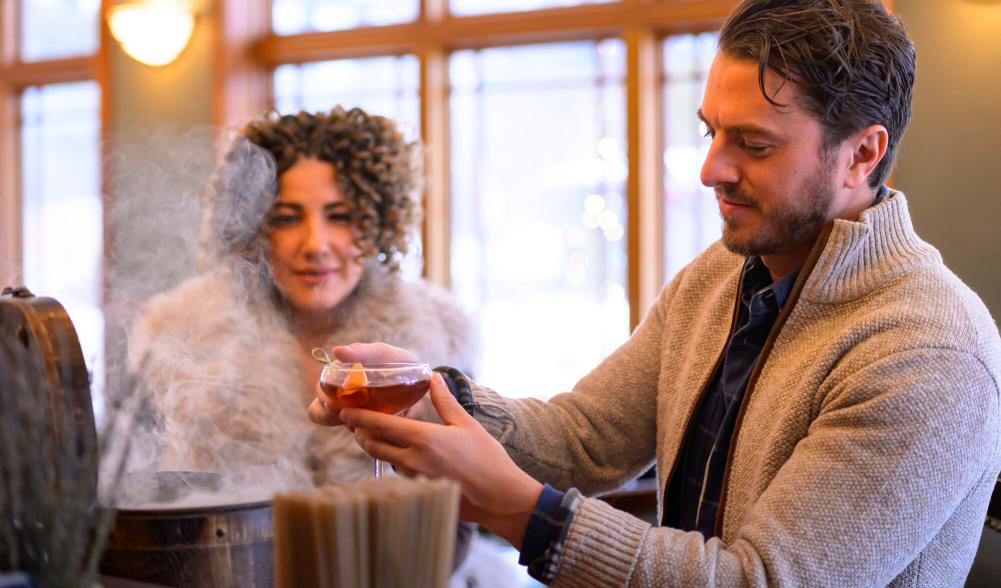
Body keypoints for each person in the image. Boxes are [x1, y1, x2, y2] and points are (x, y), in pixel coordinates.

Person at [310, 1, 1001, 585]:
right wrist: (423, 394)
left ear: (861, 153)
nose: (709, 169)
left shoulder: (928, 351)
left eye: (753, 145)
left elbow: (757, 579)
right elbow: (581, 439)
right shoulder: (717, 277)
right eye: (709, 132)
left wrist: (520, 512)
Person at [128, 107, 476, 488]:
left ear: (379, 221)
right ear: (254, 227)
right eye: (288, 218)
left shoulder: (440, 337)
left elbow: (458, 506)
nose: (315, 245)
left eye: (340, 216)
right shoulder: (175, 335)